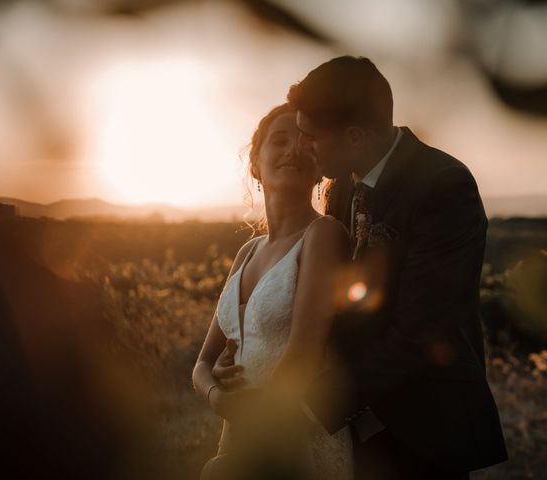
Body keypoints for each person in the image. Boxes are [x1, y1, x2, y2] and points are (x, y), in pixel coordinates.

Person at [211, 55, 509, 480]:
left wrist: (310, 405)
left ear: (353, 136)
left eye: (310, 137)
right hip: (354, 431)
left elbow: (419, 333)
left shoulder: (443, 186)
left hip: (422, 428)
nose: (303, 147)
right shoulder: (346, 184)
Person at [192, 103, 354, 479]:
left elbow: (304, 352)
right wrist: (219, 398)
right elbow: (202, 364)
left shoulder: (323, 234)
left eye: (305, 141)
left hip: (295, 433)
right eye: (279, 141)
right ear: (255, 162)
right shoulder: (247, 252)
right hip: (240, 430)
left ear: (320, 168)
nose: (293, 150)